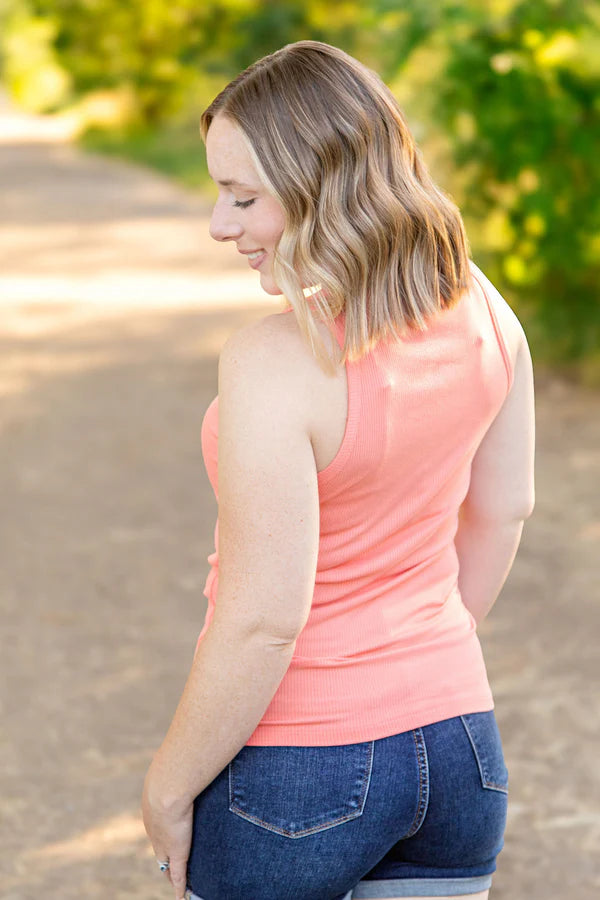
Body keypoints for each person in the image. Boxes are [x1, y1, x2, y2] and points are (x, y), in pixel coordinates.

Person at [141, 40, 535, 900]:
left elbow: (264, 622)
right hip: (460, 749)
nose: (219, 224)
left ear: (323, 186)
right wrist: (413, 662)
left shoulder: (274, 363)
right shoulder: (484, 304)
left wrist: (168, 788)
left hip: (299, 772)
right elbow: (504, 511)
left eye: (243, 197)